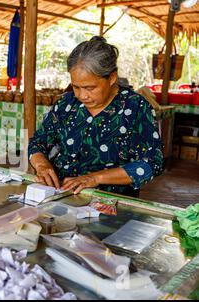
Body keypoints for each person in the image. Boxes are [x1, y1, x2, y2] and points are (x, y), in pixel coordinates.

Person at [28, 36, 164, 197]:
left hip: (111, 205)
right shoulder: (66, 104)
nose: (81, 95)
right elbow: (38, 142)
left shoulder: (135, 107)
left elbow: (151, 163)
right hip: (61, 196)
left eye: (90, 88)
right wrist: (42, 165)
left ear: (112, 78)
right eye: (76, 87)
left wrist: (95, 178)